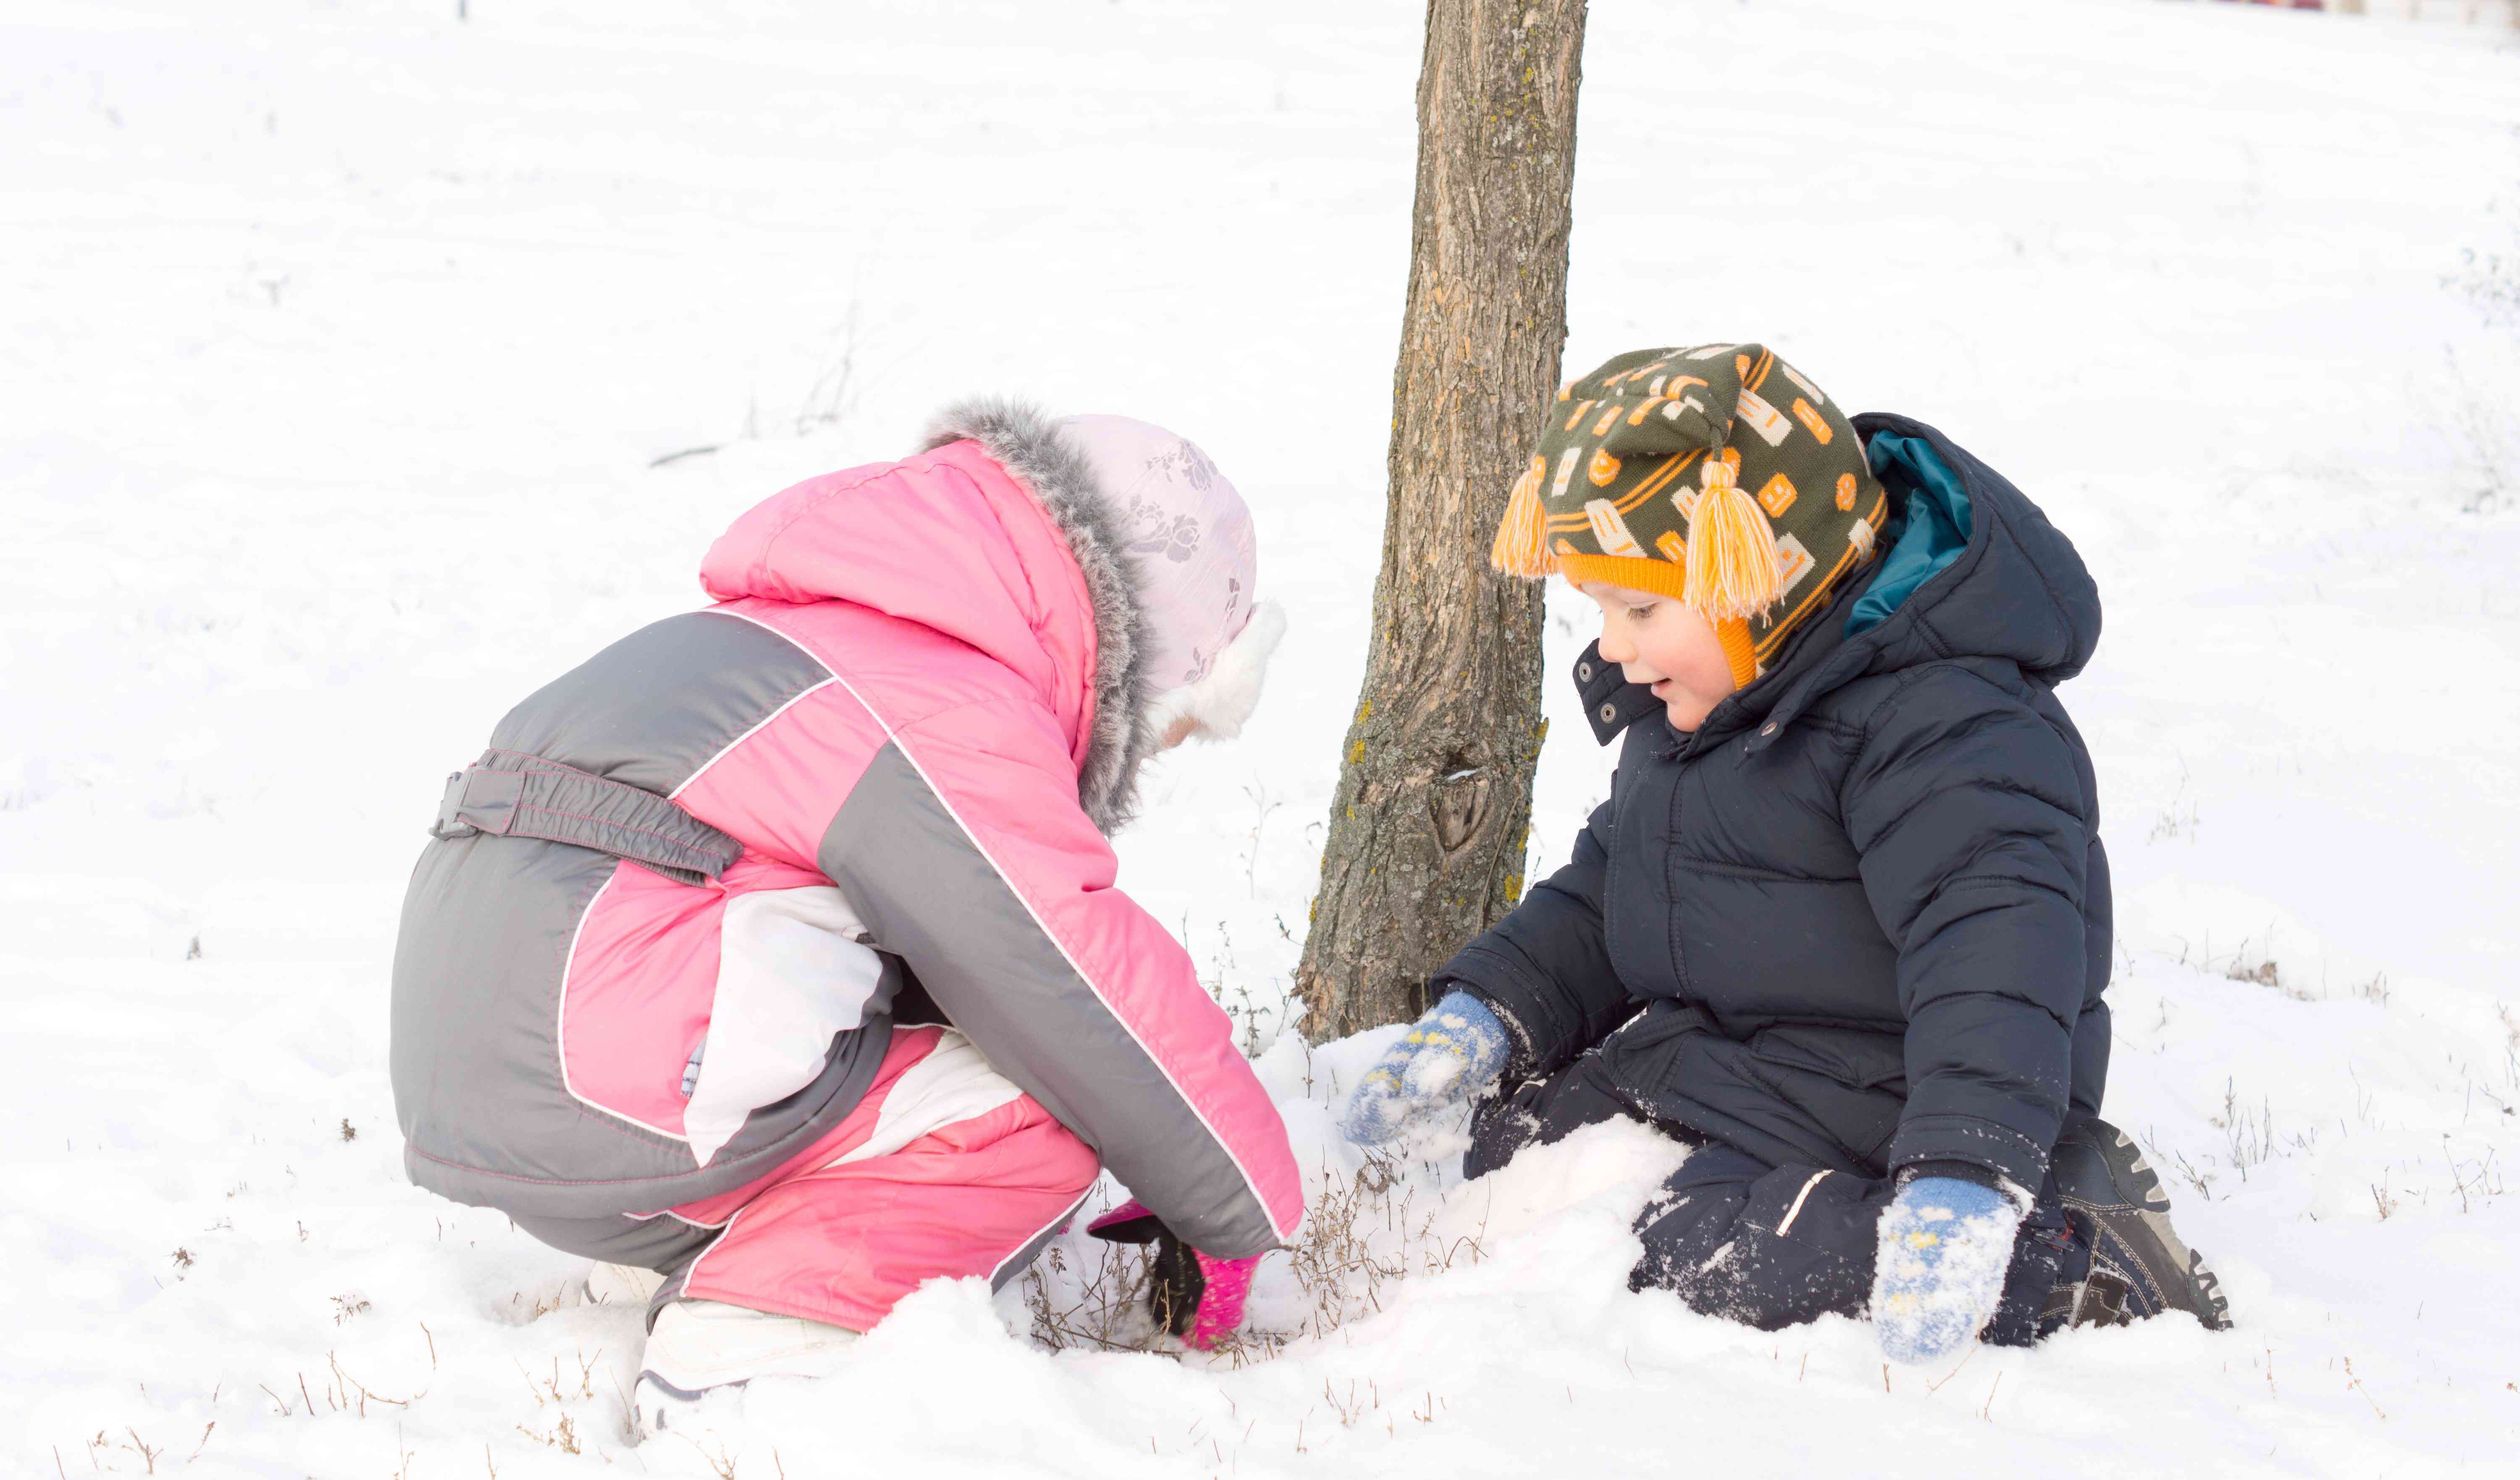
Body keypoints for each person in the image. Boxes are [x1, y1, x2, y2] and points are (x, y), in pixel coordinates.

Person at [389, 399, 1304, 1439]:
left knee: (915, 992)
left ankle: (716, 1229)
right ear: (1136, 650)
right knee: (1041, 1108)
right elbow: (1066, 975)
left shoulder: (790, 632)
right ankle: (753, 1336)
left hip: (476, 1064)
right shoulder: (941, 700)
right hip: (603, 1074)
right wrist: (1235, 1205)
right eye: (1171, 725)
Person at [1344, 343, 2230, 1363]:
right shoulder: (1702, 703)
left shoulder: (1942, 725)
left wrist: (1963, 1166)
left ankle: (2073, 1261)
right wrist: (1493, 1010)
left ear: (1762, 581)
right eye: (1600, 609)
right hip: (1738, 1073)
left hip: (1893, 1101)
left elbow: (1996, 954)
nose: (1614, 647)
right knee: (1517, 1151)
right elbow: (1612, 889)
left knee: (1705, 1252)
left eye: (1642, 609)